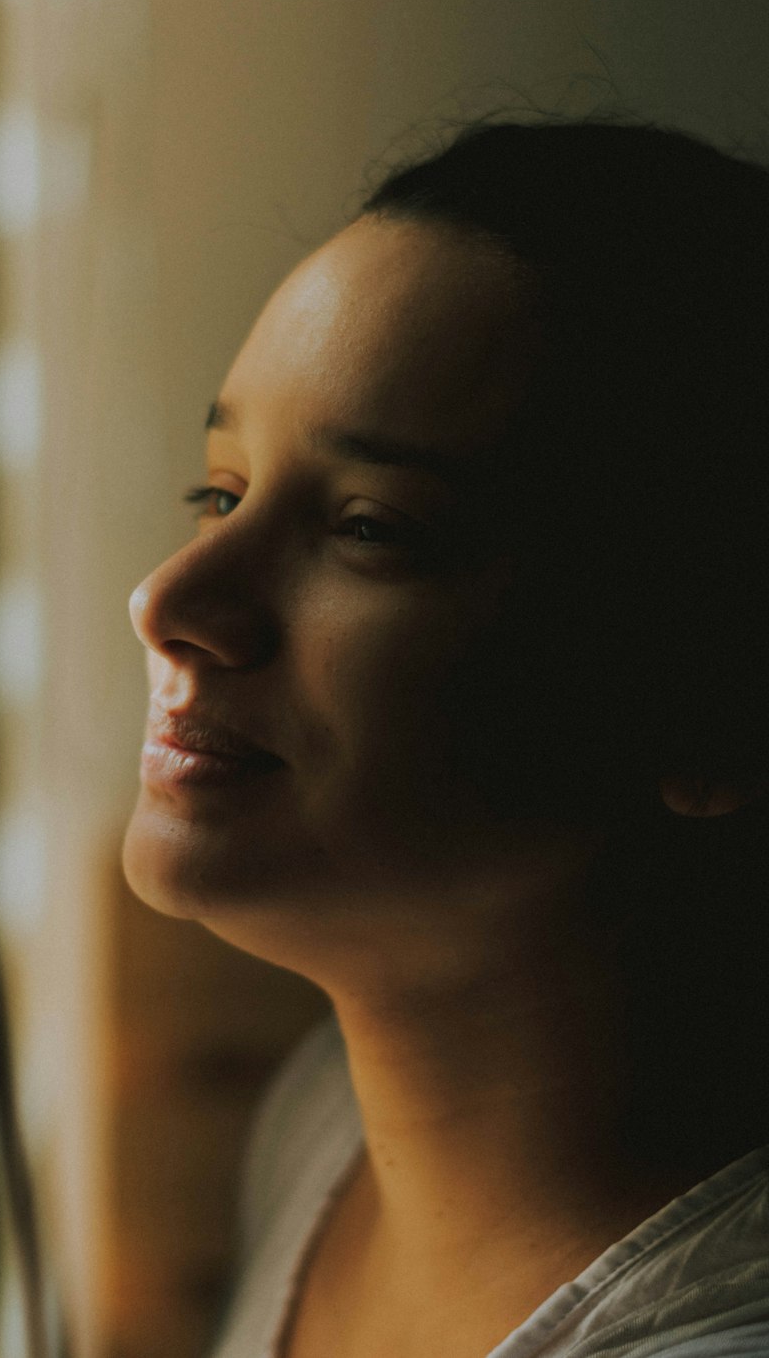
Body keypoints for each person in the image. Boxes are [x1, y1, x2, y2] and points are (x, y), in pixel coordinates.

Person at [121, 120, 769, 1358]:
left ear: (712, 700)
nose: (170, 600)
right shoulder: (323, 1127)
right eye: (222, 492)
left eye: (370, 527)